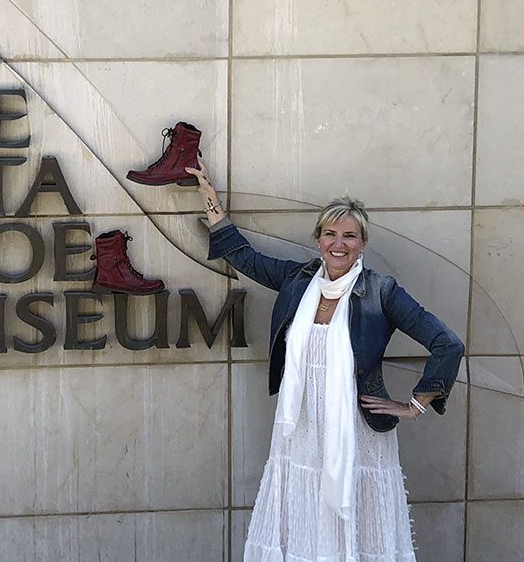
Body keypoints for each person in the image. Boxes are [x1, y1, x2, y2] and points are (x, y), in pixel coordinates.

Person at [185, 162, 464, 561]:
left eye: (349, 235)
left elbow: (447, 344)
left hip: (357, 432)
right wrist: (209, 199)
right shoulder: (298, 279)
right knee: (304, 525)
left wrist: (415, 405)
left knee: (356, 525)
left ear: (362, 243)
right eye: (331, 233)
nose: (339, 243)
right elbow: (243, 257)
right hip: (302, 429)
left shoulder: (381, 292)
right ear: (318, 239)